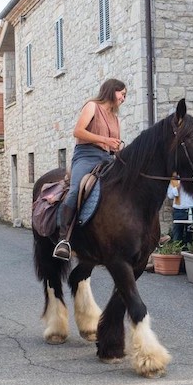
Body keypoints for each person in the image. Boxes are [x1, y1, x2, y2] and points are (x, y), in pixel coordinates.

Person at [53, 78, 126, 261]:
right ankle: (63, 239)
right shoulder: (92, 106)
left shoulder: (115, 119)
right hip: (86, 155)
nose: (124, 98)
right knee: (76, 189)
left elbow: (113, 144)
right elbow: (78, 131)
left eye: (125, 95)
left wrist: (117, 148)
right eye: (122, 94)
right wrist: (104, 140)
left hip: (108, 158)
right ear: (111, 91)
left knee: (130, 183)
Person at [167, 175, 193, 246]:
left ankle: (190, 254)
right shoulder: (174, 180)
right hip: (179, 210)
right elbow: (170, 195)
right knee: (177, 235)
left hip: (192, 209)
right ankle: (177, 254)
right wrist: (179, 186)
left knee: (191, 236)